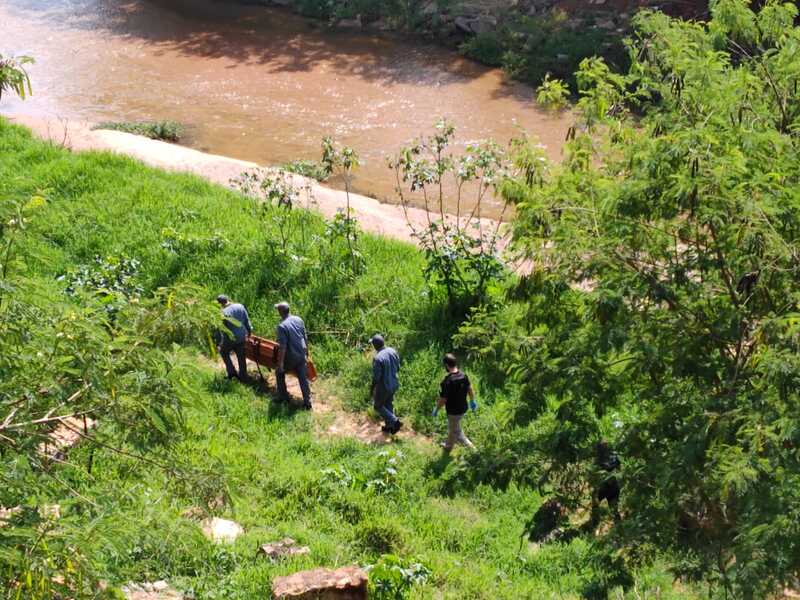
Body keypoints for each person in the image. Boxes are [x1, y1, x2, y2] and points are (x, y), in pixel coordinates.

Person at [275, 301, 312, 410]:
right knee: (303, 378)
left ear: (281, 312)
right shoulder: (298, 319)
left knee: (278, 372)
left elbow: (283, 347)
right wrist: (307, 352)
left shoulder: (282, 326)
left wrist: (280, 364)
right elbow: (305, 337)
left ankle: (283, 397)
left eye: (278, 309)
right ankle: (307, 402)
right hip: (301, 354)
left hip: (291, 357)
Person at [435, 353, 476, 451]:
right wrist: (472, 401)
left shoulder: (447, 381)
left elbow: (443, 400)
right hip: (463, 408)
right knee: (453, 428)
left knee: (457, 432)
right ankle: (448, 446)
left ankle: (474, 451)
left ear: (446, 365)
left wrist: (436, 409)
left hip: (453, 412)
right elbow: (470, 389)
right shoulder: (463, 376)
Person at [370, 334, 402, 434]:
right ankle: (390, 427)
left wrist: (372, 388)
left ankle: (395, 421)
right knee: (388, 404)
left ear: (375, 346)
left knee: (378, 406)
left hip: (384, 386)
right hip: (394, 383)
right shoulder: (393, 351)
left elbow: (376, 377)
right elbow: (398, 367)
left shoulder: (378, 358)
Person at [217, 294, 252, 381]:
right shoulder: (240, 306)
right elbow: (247, 321)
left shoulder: (223, 313)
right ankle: (243, 376)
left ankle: (232, 373)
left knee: (224, 352)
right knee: (241, 356)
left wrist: (219, 342)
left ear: (219, 303)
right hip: (241, 336)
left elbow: (222, 329)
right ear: (228, 299)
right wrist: (249, 333)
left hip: (230, 338)